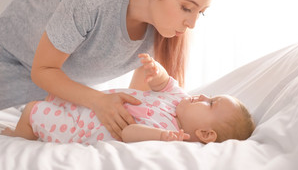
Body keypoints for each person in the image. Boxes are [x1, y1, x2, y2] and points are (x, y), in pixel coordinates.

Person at [0, 0, 222, 140]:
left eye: (200, 12)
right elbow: (43, 70)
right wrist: (98, 100)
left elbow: (138, 101)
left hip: (62, 84)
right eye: (186, 7)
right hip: (10, 59)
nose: (192, 23)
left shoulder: (164, 27)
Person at [1, 54, 255, 144]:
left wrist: (161, 137)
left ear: (205, 134)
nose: (202, 96)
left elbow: (130, 133)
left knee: (34, 109)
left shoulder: (168, 131)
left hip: (78, 129)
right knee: (58, 96)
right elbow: (164, 83)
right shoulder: (179, 99)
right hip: (91, 107)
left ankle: (22, 136)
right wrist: (157, 71)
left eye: (210, 103)